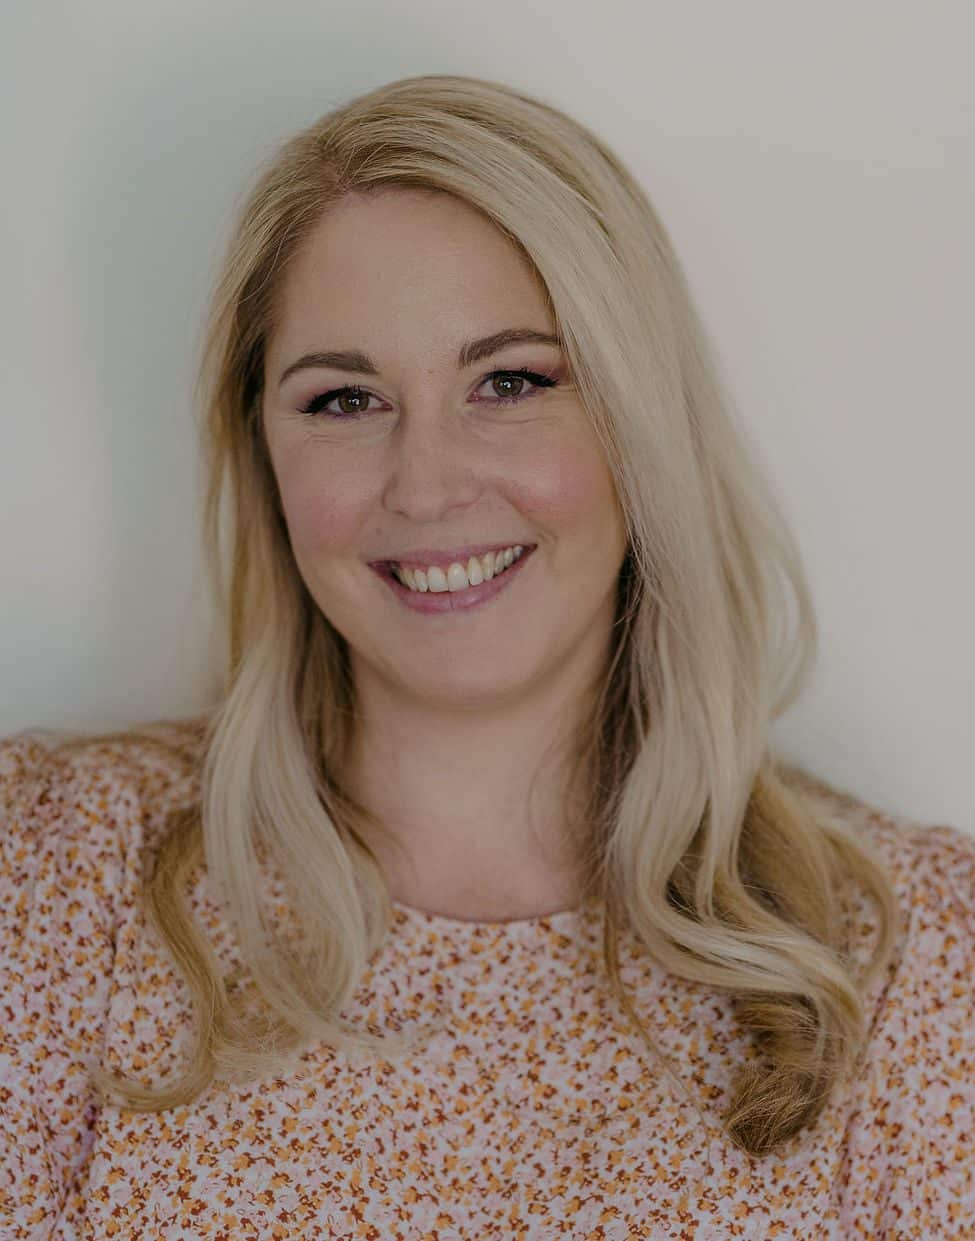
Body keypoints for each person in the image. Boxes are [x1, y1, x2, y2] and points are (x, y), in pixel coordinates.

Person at [1, 73, 972, 1238]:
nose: (428, 484)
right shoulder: (52, 879)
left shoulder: (920, 961)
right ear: (262, 452)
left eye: (511, 381)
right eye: (344, 400)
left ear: (638, 427)